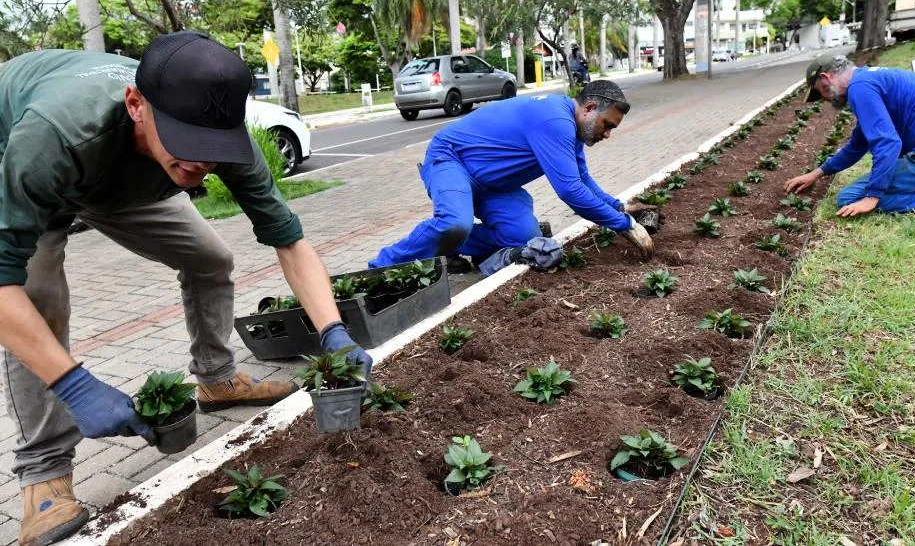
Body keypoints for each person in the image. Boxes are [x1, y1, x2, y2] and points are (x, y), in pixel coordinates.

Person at [0, 32, 371, 546]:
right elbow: (1, 285)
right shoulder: (53, 133)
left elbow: (290, 241)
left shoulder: (216, 134)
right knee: (36, 297)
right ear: (136, 105)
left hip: (126, 173)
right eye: (188, 142)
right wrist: (74, 384)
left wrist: (334, 332)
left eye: (213, 149)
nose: (201, 163)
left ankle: (217, 380)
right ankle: (43, 475)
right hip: (26, 165)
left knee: (211, 258)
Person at [368, 80, 654, 270]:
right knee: (455, 222)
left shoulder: (573, 131)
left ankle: (442, 245)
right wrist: (624, 225)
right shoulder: (555, 120)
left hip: (494, 185)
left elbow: (582, 181)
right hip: (452, 161)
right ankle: (380, 266)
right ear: (590, 108)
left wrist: (618, 206)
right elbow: (570, 192)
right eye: (608, 125)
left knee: (523, 236)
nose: (607, 134)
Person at [786, 53, 915, 224]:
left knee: (850, 198)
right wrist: (816, 174)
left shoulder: (860, 89)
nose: (825, 99)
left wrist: (872, 197)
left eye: (821, 92)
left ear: (826, 78)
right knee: (874, 186)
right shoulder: (870, 79)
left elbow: (887, 143)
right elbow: (857, 145)